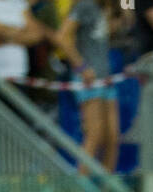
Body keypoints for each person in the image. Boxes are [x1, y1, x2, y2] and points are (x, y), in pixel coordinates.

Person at [55, 0, 120, 171]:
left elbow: (110, 33)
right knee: (94, 135)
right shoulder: (84, 4)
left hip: (105, 77)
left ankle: (108, 190)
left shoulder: (105, 7)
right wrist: (81, 67)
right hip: (88, 79)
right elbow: (62, 37)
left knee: (112, 137)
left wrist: (124, 8)